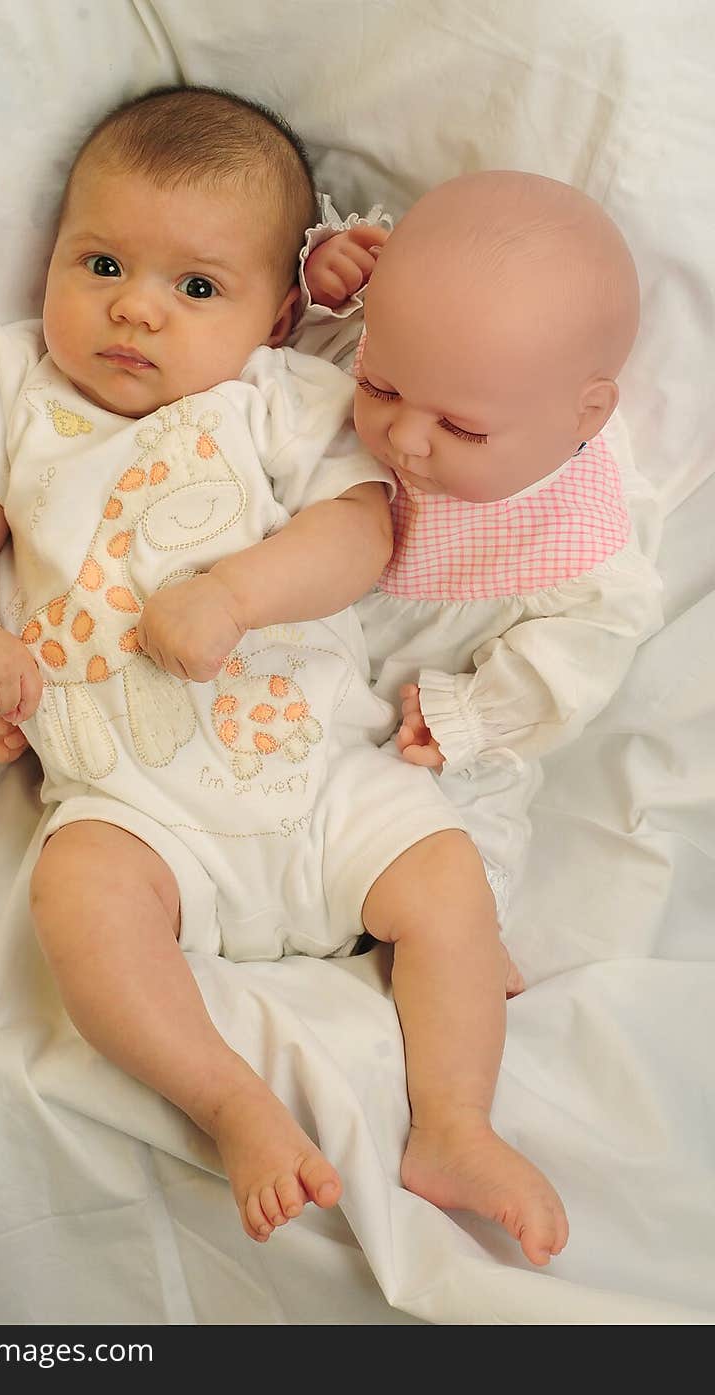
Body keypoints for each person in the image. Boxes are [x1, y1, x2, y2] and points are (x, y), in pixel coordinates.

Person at [0, 89, 568, 1266]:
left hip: (318, 779)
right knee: (78, 907)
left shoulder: (280, 401)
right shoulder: (19, 389)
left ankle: (454, 1122)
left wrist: (237, 595)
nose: (134, 309)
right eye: (100, 261)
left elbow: (365, 533)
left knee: (447, 884)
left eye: (195, 287)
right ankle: (231, 1106)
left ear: (274, 317)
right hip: (137, 811)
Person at [300, 170, 663, 927]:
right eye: (380, 385)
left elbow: (580, 656)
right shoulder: (406, 338)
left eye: (461, 429)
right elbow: (293, 351)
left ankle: (465, 931)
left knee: (478, 809)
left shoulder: (576, 538)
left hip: (429, 716)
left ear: (584, 414)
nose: (403, 437)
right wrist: (320, 284)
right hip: (290, 641)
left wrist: (470, 716)